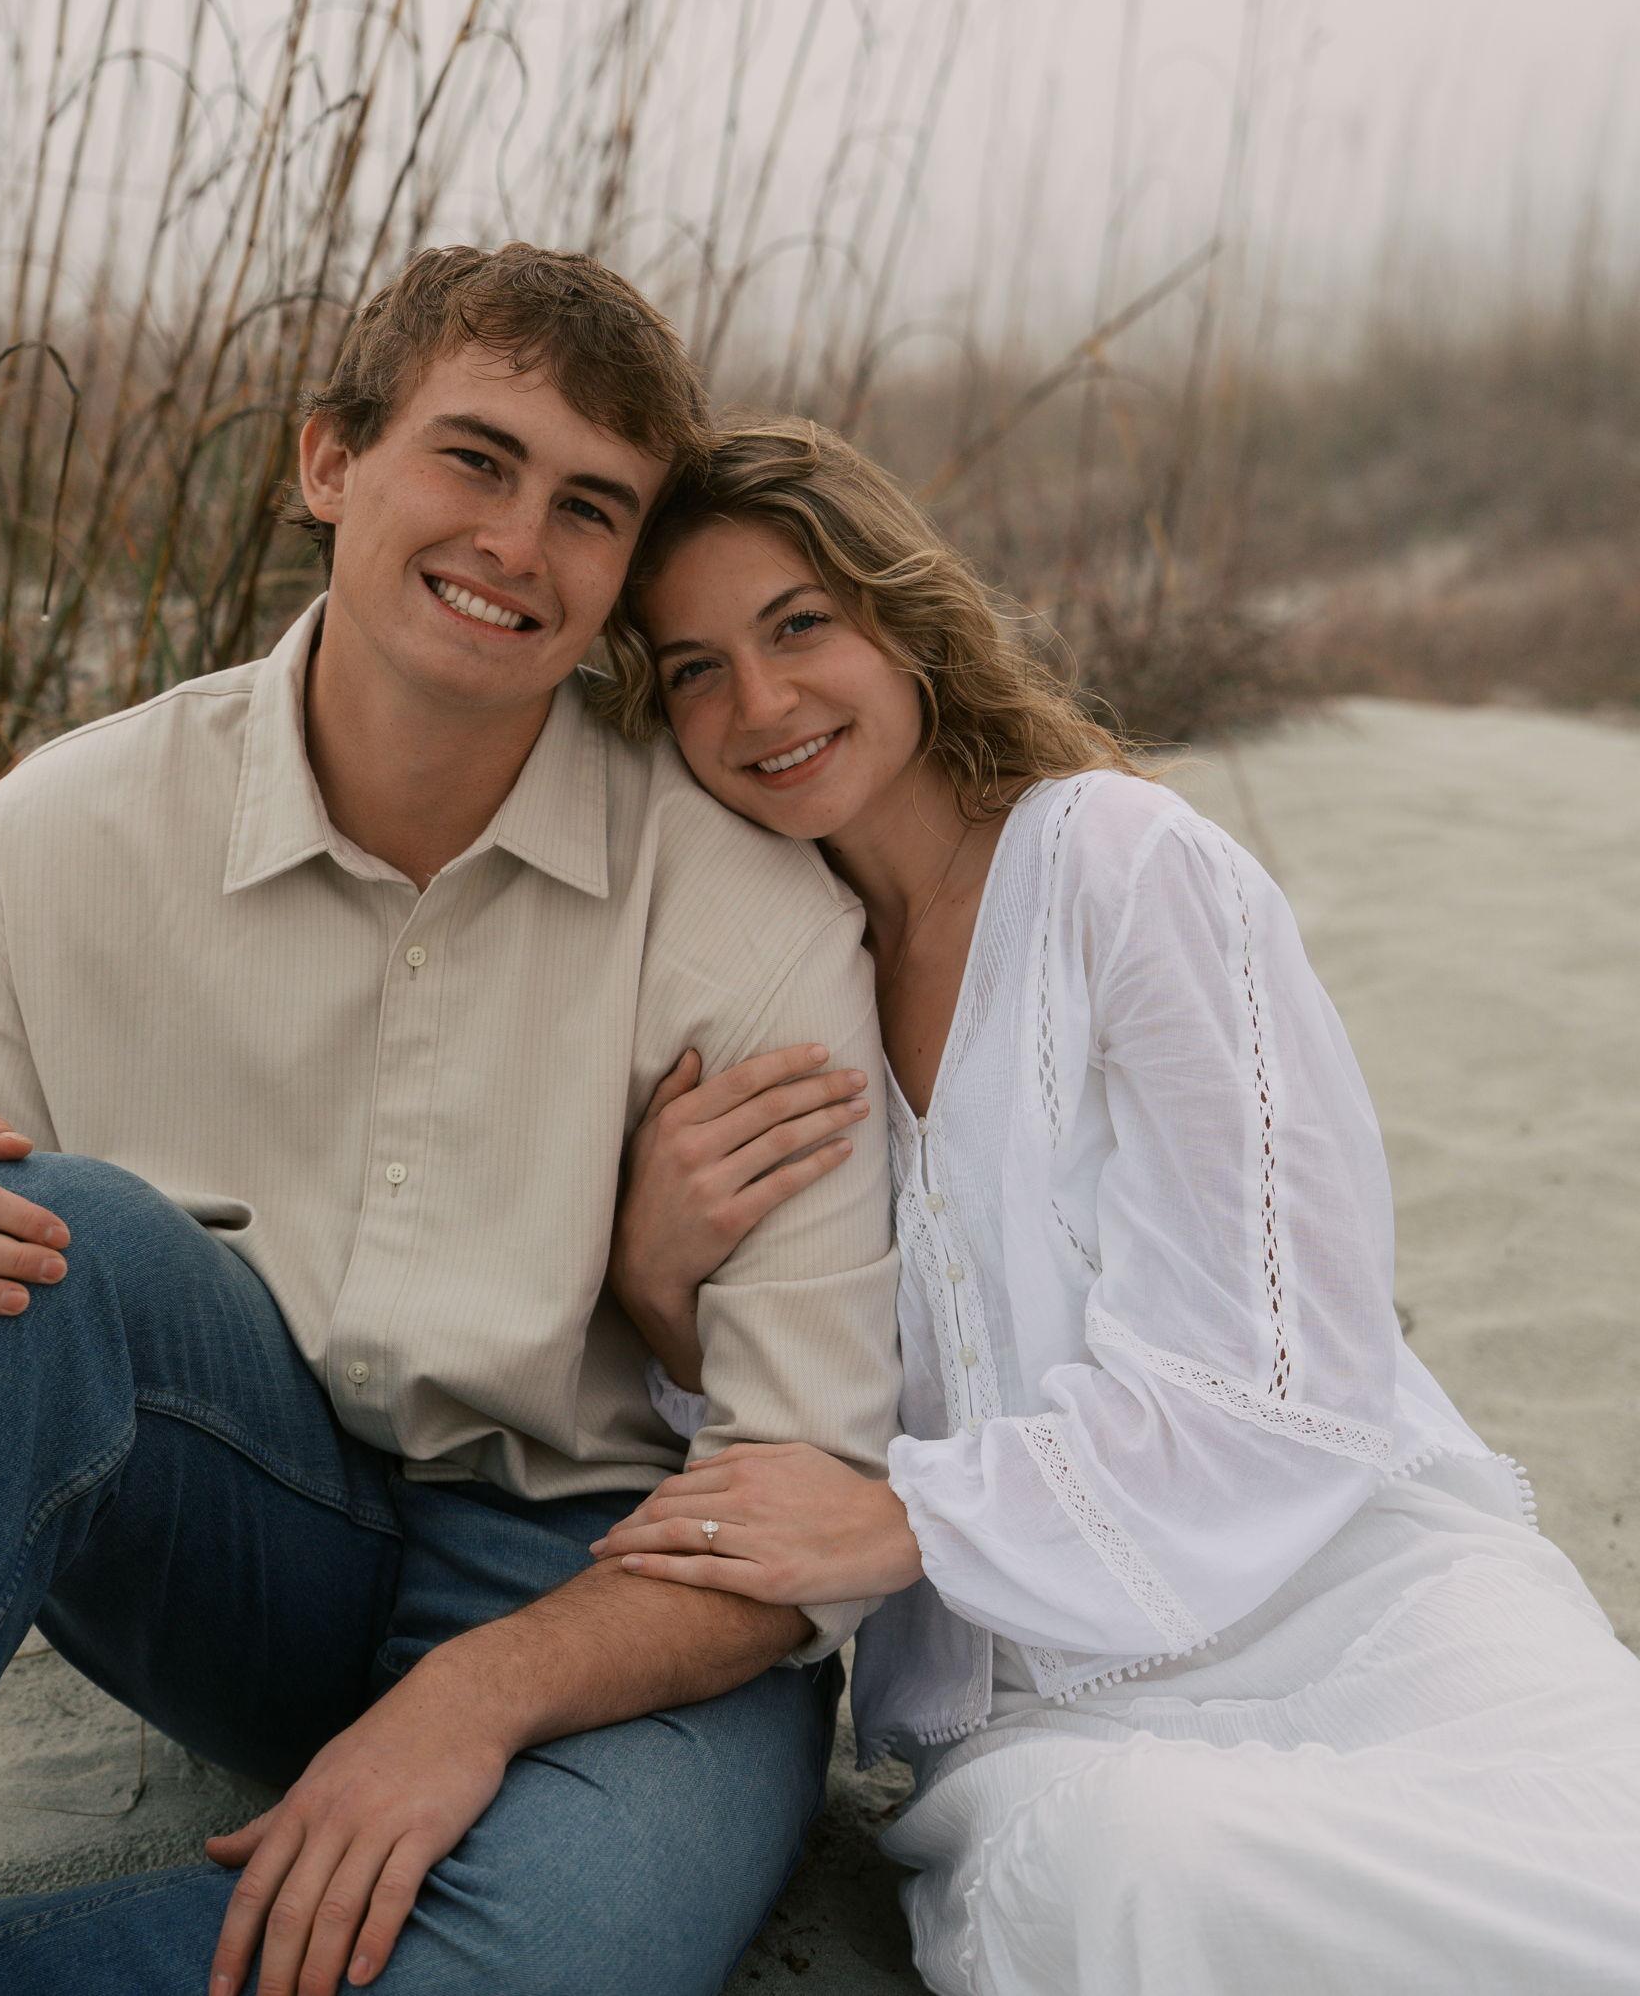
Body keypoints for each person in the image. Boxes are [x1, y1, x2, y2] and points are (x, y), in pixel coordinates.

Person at [0, 250, 907, 1996]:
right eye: (476, 459)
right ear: (330, 462)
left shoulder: (752, 920)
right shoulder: (62, 833)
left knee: (554, 1957)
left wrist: (469, 1694)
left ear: (617, 576)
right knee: (30, 1238)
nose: (520, 540)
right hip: (225, 1542)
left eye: (592, 506)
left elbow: (794, 1493)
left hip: (605, 1580)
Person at [588, 417, 1640, 1995]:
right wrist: (660, 1283)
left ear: (904, 614)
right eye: (693, 670)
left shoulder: (1125, 871)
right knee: (1145, 1881)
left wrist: (906, 1518)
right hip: (1044, 1699)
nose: (763, 703)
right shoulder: (764, 984)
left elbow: (1286, 1379)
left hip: (1357, 1598)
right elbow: (794, 1409)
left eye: (800, 625)